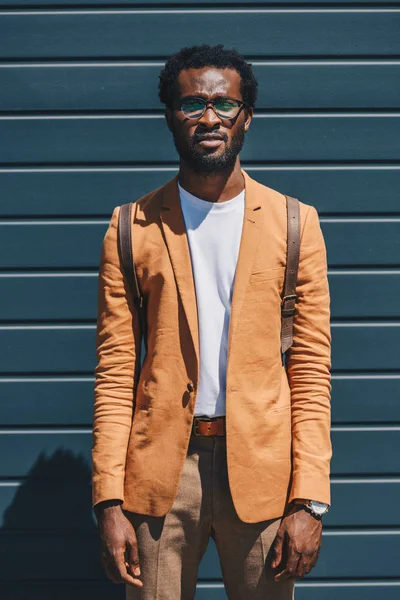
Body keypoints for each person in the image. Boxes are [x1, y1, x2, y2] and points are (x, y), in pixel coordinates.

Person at [91, 44, 332, 600]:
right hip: (157, 480)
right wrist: (108, 500)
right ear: (171, 115)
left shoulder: (295, 224)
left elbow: (312, 372)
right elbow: (115, 370)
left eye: (224, 105)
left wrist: (310, 500)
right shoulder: (133, 227)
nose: (209, 118)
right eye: (192, 103)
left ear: (246, 116)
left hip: (266, 475)